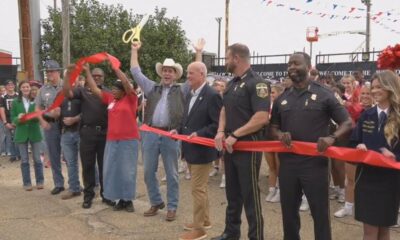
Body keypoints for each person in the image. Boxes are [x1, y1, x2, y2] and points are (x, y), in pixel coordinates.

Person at [270, 52, 352, 240]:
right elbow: (272, 127)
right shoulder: (282, 98)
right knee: (288, 213)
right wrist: (280, 134)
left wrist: (332, 138)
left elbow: (347, 123)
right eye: (289, 64)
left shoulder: (325, 94)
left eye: (296, 63)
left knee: (320, 214)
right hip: (288, 164)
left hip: (315, 164)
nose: (291, 67)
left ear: (308, 67)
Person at [130, 39, 204, 221]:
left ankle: (172, 207)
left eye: (170, 71)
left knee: (171, 173)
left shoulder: (182, 89)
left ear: (176, 74)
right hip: (150, 134)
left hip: (171, 135)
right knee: (148, 172)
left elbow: (197, 72)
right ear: (161, 73)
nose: (167, 73)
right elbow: (135, 71)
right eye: (164, 70)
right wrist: (134, 50)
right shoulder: (151, 88)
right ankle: (156, 202)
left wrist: (199, 52)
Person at [213, 43, 270, 240]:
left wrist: (236, 134)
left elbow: (262, 117)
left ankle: (256, 237)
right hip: (230, 147)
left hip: (248, 146)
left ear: (236, 58)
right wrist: (221, 130)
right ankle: (231, 233)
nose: (226, 62)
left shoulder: (258, 83)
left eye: (228, 58)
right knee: (232, 194)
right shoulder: (232, 83)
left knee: (250, 196)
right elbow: (224, 109)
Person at [81, 63, 139, 212]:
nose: (112, 90)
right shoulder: (110, 100)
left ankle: (128, 200)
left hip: (128, 141)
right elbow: (94, 89)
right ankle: (119, 199)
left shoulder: (131, 99)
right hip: (112, 141)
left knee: (128, 171)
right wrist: (87, 71)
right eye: (112, 88)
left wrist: (116, 68)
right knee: (114, 170)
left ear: (123, 91)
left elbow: (126, 83)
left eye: (116, 89)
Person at [174, 61, 222, 240]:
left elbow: (217, 124)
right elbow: (186, 118)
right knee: (201, 189)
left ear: (202, 74)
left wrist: (199, 133)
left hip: (202, 150)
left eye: (190, 73)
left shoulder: (212, 95)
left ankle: (200, 229)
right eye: (187, 73)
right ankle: (205, 220)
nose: (187, 76)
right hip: (190, 149)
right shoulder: (191, 93)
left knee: (197, 190)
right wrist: (177, 130)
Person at [351, 70, 400, 240]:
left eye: (379, 87)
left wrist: (395, 156)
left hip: (389, 181)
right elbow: (353, 142)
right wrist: (359, 145)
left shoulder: (399, 117)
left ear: (390, 88)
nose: (374, 91)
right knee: (370, 232)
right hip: (367, 179)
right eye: (373, 87)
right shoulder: (366, 115)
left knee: (384, 231)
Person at [63, 66, 111, 209]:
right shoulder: (82, 91)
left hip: (104, 133)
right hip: (87, 133)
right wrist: (67, 76)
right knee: (88, 166)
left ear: (103, 78)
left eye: (99, 76)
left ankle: (106, 194)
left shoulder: (108, 92)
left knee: (104, 167)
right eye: (94, 75)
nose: (96, 78)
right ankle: (88, 196)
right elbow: (67, 93)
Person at [36, 60, 64, 195]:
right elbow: (37, 108)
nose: (49, 74)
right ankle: (59, 184)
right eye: (47, 72)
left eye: (51, 71)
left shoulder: (67, 86)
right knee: (54, 156)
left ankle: (74, 184)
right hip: (50, 126)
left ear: (58, 72)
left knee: (71, 157)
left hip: (66, 126)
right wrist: (42, 121)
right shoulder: (43, 89)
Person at [11, 81, 44, 191]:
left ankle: (40, 181)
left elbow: (39, 116)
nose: (26, 88)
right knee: (24, 160)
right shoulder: (15, 102)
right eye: (23, 87)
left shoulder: (36, 101)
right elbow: (13, 118)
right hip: (21, 133)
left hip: (34, 132)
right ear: (20, 89)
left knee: (37, 159)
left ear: (30, 88)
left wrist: (31, 116)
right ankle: (27, 183)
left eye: (27, 87)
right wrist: (18, 118)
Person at [57, 80, 82, 200]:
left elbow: (89, 111)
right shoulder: (60, 96)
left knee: (88, 162)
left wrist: (75, 119)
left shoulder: (83, 94)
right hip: (66, 133)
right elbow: (56, 112)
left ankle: (94, 187)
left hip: (81, 132)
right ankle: (74, 188)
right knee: (70, 163)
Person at [265, 84, 284, 203]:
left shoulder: (282, 105)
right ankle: (271, 189)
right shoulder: (266, 106)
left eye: (273, 92)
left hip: (278, 139)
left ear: (280, 93)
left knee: (279, 167)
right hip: (267, 139)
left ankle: (280, 190)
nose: (271, 95)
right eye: (270, 92)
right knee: (271, 166)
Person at [210, 79, 227, 188]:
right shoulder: (211, 98)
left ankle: (225, 177)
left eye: (221, 85)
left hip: (224, 129)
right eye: (216, 84)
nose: (218, 87)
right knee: (215, 150)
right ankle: (215, 168)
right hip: (213, 128)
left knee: (224, 154)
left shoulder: (228, 99)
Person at [0, 80, 20, 162]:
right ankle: (13, 155)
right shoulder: (3, 97)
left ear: (14, 86)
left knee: (18, 138)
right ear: (5, 87)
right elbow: (2, 110)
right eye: (8, 85)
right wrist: (5, 122)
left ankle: (19, 154)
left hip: (18, 120)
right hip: (8, 121)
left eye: (12, 84)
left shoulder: (18, 96)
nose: (10, 86)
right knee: (10, 138)